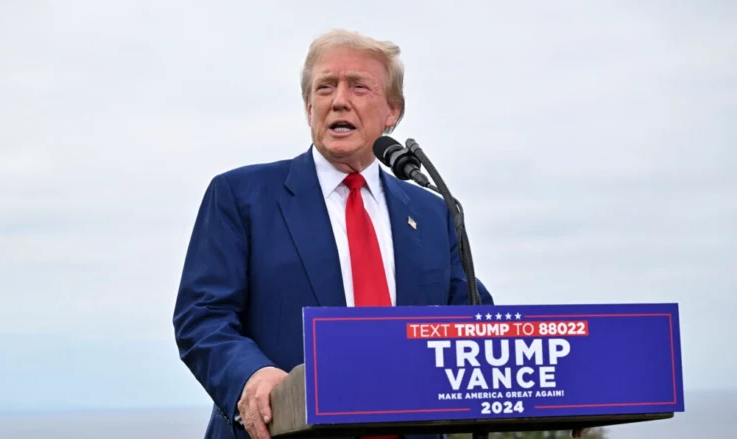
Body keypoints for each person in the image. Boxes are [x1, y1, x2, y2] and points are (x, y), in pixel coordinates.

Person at [173, 28, 583, 439]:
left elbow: (476, 329)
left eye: (359, 87)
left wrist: (568, 391)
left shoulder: (433, 211)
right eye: (326, 87)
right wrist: (251, 375)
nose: (339, 100)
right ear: (308, 106)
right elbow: (202, 316)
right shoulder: (242, 196)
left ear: (392, 112)